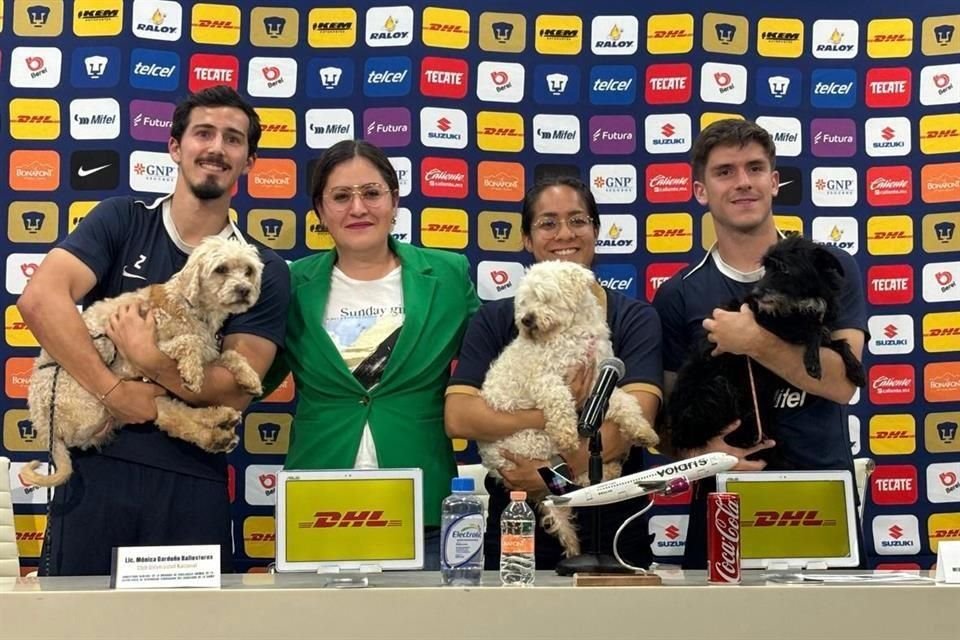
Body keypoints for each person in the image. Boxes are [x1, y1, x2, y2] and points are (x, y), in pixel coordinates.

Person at [17, 85, 291, 575]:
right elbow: (40, 300)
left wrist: (150, 361)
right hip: (94, 469)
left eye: (233, 139)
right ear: (174, 146)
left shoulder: (260, 267)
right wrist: (114, 389)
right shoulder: (122, 219)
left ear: (249, 160)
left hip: (192, 478)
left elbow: (233, 392)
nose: (216, 148)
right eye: (203, 133)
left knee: (189, 628)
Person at [652, 118, 867, 568]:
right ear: (700, 191)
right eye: (725, 171)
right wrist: (698, 455)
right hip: (726, 500)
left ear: (774, 181)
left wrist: (753, 340)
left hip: (819, 496)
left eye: (754, 168)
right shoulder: (679, 293)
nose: (743, 182)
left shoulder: (828, 266)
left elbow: (844, 384)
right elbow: (666, 423)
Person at [263, 139, 480, 570]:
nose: (357, 207)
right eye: (341, 196)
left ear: (394, 200)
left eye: (371, 193)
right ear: (320, 212)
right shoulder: (289, 282)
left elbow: (491, 368)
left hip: (423, 505)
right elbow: (254, 377)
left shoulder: (449, 275)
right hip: (317, 503)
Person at [445, 176, 663, 570]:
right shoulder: (496, 318)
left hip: (615, 529)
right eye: (548, 223)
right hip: (516, 524)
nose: (565, 233)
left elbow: (632, 426)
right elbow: (460, 417)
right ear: (527, 239)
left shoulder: (635, 317)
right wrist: (551, 414)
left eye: (578, 220)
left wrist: (550, 476)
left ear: (596, 230)